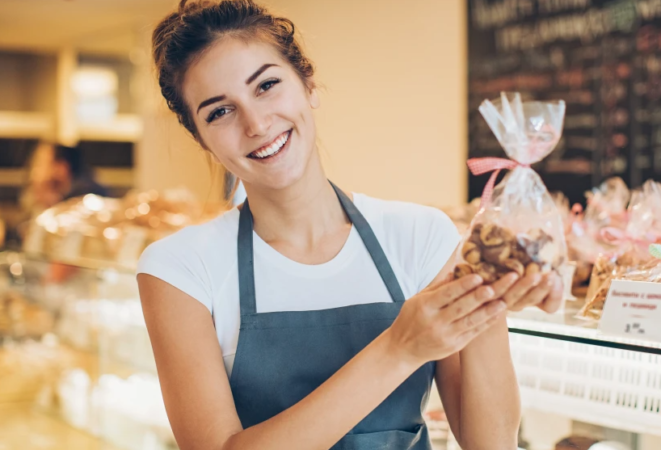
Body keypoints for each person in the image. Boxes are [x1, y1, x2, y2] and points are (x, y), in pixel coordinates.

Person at [136, 1, 564, 449]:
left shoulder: (420, 237)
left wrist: (490, 297)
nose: (257, 123)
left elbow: (489, 443)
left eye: (267, 85)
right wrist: (399, 348)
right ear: (199, 137)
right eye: (219, 112)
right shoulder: (178, 269)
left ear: (309, 85)